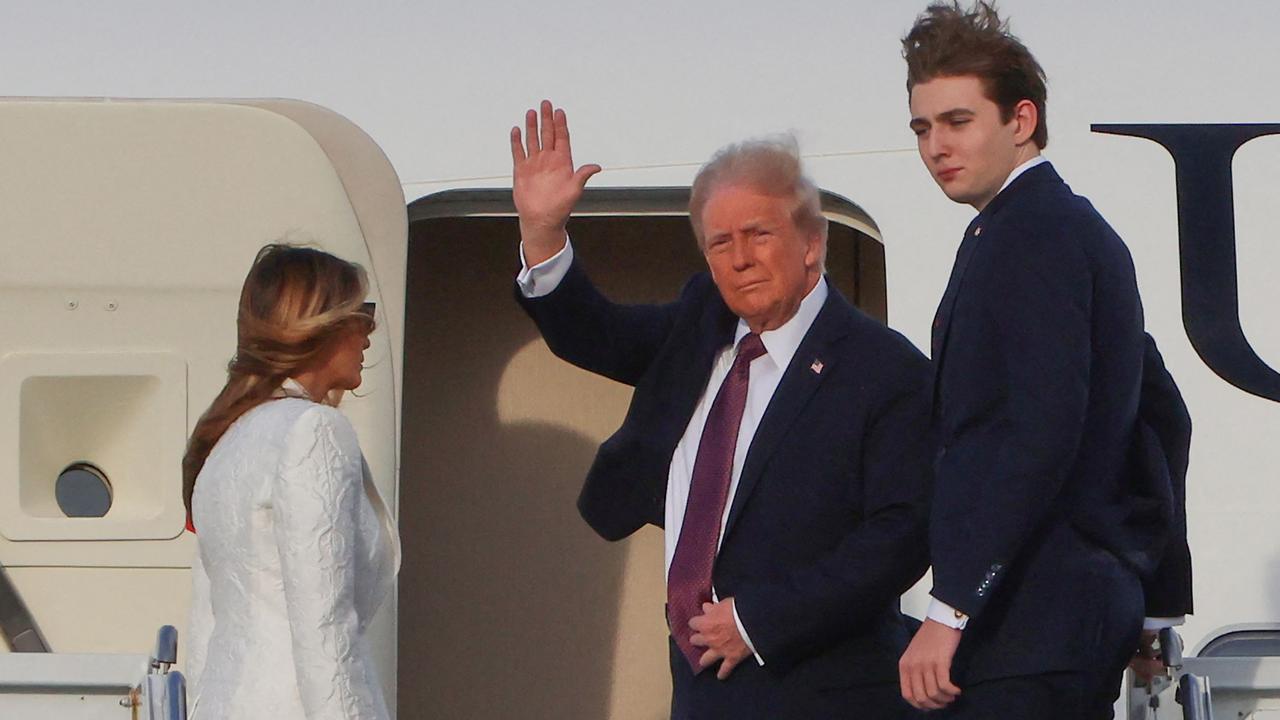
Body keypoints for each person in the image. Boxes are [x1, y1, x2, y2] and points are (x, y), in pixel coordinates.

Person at [510, 101, 934, 719]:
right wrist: (543, 234)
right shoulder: (699, 326)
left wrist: (760, 620)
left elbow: (900, 537)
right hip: (699, 686)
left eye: (760, 235)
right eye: (720, 243)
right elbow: (591, 333)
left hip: (822, 689)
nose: (740, 258)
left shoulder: (885, 370)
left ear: (812, 244)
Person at [895, 3, 1193, 718]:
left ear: (1021, 120)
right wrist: (1154, 599)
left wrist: (952, 607)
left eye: (958, 121)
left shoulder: (1026, 235)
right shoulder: (1078, 231)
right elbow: (1164, 415)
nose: (937, 145)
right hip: (1076, 613)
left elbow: (1036, 432)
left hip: (1031, 617)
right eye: (922, 127)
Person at [184, 244, 401, 720]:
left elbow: (205, 626)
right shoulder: (313, 432)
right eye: (363, 317)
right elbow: (325, 626)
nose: (370, 334)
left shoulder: (224, 440)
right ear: (321, 327)